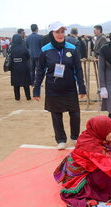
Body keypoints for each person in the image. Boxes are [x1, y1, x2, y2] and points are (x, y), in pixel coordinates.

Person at [33, 21, 86, 150]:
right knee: (56, 115)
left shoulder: (72, 48)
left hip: (70, 87)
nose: (60, 34)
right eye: (57, 32)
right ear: (52, 33)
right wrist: (36, 89)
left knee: (75, 114)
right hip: (53, 88)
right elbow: (40, 71)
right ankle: (61, 139)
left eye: (62, 31)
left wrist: (82, 87)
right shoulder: (45, 50)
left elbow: (78, 69)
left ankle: (74, 137)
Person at [10, 34, 31, 101]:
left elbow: (9, 57)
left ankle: (17, 97)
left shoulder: (11, 48)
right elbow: (28, 56)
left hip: (14, 67)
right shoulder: (23, 47)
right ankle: (28, 97)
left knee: (16, 83)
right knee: (26, 82)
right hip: (23, 66)